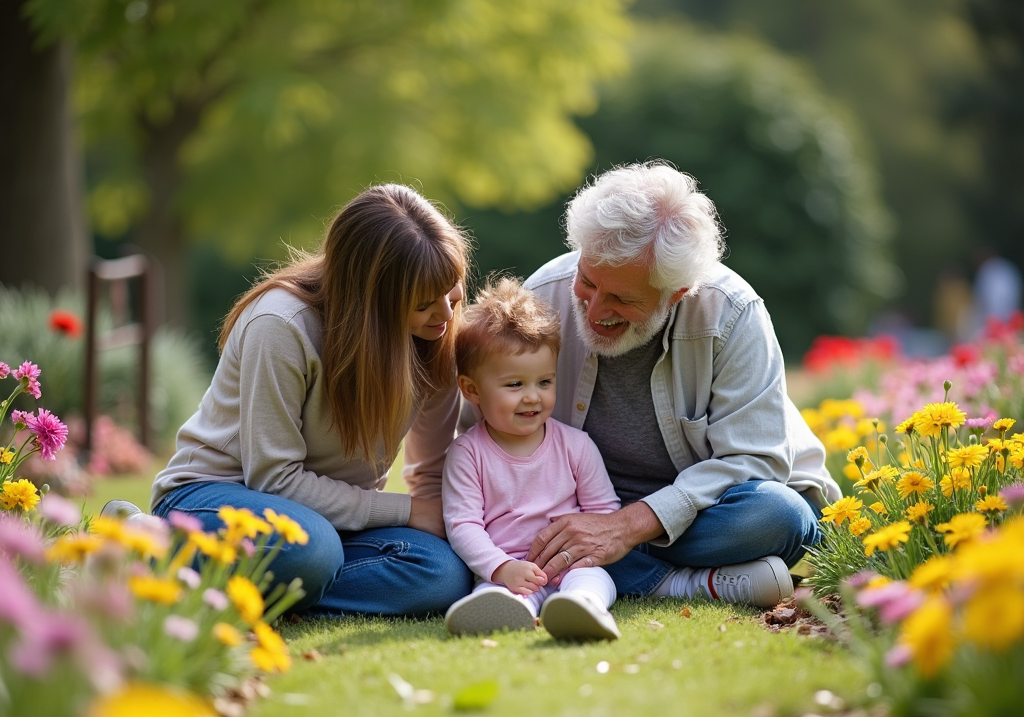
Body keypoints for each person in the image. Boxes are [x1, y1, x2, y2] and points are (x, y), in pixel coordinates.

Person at [516, 161, 842, 608]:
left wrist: (627, 527)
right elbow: (481, 430)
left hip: (707, 514)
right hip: (581, 511)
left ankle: (606, 566)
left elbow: (757, 461)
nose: (594, 311)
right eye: (588, 282)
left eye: (622, 299)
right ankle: (693, 582)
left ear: (677, 293)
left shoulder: (732, 312)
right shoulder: (540, 300)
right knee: (521, 526)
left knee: (778, 516)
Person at [150, 184, 474, 616]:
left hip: (328, 521)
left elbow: (430, 475)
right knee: (312, 550)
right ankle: (152, 551)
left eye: (451, 293)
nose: (447, 316)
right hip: (217, 496)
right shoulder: (281, 325)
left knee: (442, 572)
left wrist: (449, 528)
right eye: (424, 304)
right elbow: (273, 478)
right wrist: (406, 510)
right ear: (372, 300)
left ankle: (263, 594)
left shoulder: (433, 336)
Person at [442, 278, 621, 640]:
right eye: (514, 385)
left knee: (594, 580)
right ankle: (512, 611)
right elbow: (463, 525)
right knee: (496, 594)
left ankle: (582, 606)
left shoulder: (576, 446)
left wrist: (581, 555)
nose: (532, 398)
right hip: (508, 568)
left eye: (544, 382)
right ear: (471, 389)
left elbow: (605, 513)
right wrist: (502, 567)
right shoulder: (467, 454)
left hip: (572, 565)